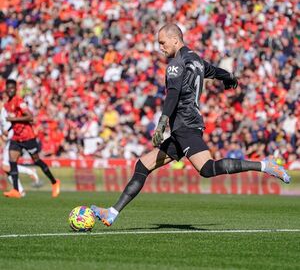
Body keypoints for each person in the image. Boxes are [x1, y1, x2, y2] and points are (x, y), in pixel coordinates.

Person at [91, 23, 290, 226]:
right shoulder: (195, 60)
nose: (160, 47)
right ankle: (112, 213)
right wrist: (229, 77)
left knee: (207, 168)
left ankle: (265, 165)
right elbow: (214, 71)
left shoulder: (176, 64)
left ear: (175, 40)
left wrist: (161, 123)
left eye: (162, 42)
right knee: (143, 165)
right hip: (185, 127)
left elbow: (173, 94)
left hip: (185, 124)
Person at [3, 79, 60, 198]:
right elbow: (15, 122)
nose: (10, 90)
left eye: (12, 88)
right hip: (16, 137)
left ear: (16, 88)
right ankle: (16, 190)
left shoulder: (19, 101)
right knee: (12, 160)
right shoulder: (7, 104)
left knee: (37, 160)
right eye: (8, 88)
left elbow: (30, 117)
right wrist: (7, 130)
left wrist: (12, 120)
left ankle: (54, 182)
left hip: (28, 136)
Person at [0, 99, 42, 197]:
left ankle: (30, 171)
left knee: (6, 166)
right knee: (7, 169)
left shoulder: (7, 111)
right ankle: (20, 191)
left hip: (14, 140)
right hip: (8, 141)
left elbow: (15, 126)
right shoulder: (2, 113)